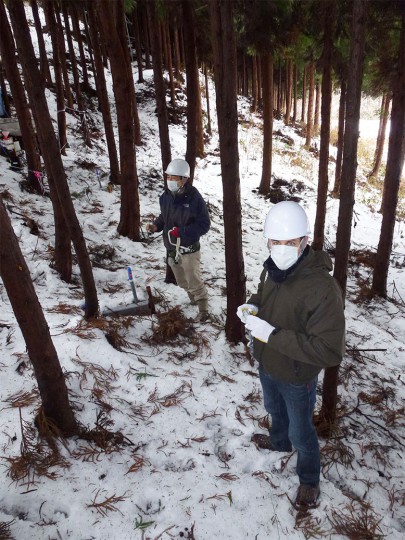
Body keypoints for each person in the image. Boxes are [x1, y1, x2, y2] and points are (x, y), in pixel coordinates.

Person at [237, 201, 345, 510]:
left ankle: (309, 479)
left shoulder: (323, 289)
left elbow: (329, 350)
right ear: (268, 241)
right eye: (276, 242)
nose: (281, 248)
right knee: (273, 408)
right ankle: (278, 441)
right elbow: (264, 297)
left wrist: (271, 335)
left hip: (298, 376)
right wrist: (253, 306)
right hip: (268, 363)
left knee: (302, 431)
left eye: (290, 242)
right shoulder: (272, 268)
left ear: (304, 242)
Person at [147, 158, 210, 322]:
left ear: (184, 179)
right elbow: (164, 217)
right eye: (168, 177)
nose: (170, 181)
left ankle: (203, 308)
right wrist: (155, 226)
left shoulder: (194, 199)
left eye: (174, 178)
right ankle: (192, 299)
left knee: (193, 279)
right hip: (171, 247)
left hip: (189, 248)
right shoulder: (165, 197)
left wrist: (182, 232)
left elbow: (204, 224)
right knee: (182, 280)